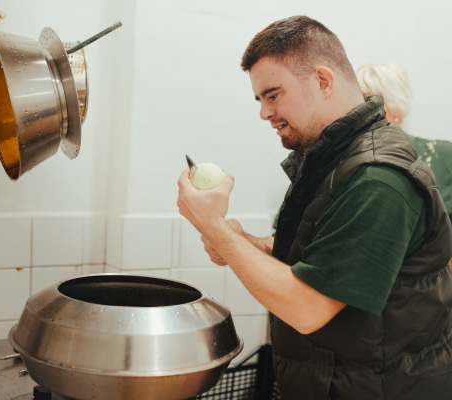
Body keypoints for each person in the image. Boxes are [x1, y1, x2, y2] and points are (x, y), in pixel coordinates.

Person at [177, 16, 452, 400]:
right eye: (260, 99)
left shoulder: (378, 177)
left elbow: (309, 308)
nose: (264, 113)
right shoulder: (332, 158)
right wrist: (247, 242)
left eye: (273, 95)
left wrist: (217, 232)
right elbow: (326, 255)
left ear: (323, 81)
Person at [355, 62, 452, 222]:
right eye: (357, 102)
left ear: (396, 106)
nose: (360, 110)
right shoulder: (347, 161)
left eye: (370, 101)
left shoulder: (444, 155)